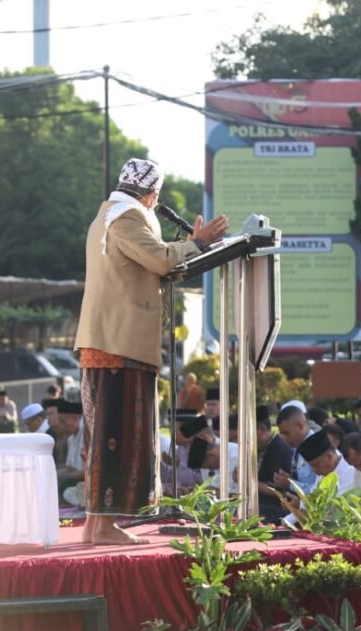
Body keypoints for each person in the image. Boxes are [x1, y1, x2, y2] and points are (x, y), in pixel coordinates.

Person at [73, 158, 228, 544]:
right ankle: (104, 527)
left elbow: (153, 260)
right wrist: (198, 243)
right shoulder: (128, 218)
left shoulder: (109, 215)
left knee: (106, 436)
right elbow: (159, 259)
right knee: (118, 437)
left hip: (111, 342)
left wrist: (188, 247)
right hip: (119, 344)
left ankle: (96, 526)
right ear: (151, 195)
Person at [255, 405, 293, 523]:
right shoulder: (257, 447)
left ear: (262, 429)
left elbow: (279, 492)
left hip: (275, 511)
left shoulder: (279, 449)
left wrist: (249, 483)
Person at [275, 405, 319, 491]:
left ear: (300, 426)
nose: (284, 438)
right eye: (282, 434)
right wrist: (288, 479)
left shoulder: (318, 448)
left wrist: (290, 484)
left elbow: (322, 490)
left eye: (286, 433)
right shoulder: (297, 446)